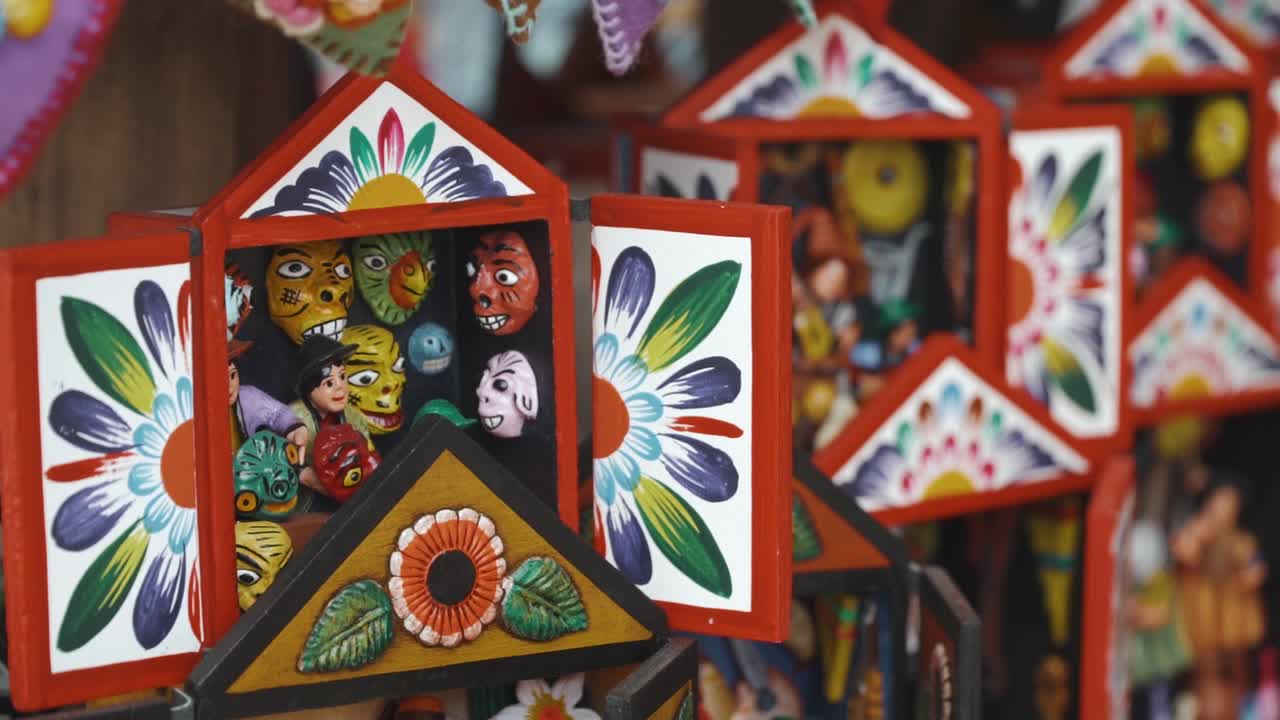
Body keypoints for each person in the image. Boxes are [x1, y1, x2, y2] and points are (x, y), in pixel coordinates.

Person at [288, 336, 379, 490]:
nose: (340, 387)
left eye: (342, 377)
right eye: (329, 383)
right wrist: (304, 474)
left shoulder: (353, 416)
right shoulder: (292, 419)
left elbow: (369, 454)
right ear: (309, 390)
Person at [229, 339, 307, 459]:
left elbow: (276, 413)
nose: (229, 386)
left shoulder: (248, 396)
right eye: (218, 379)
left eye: (232, 375)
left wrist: (293, 427)